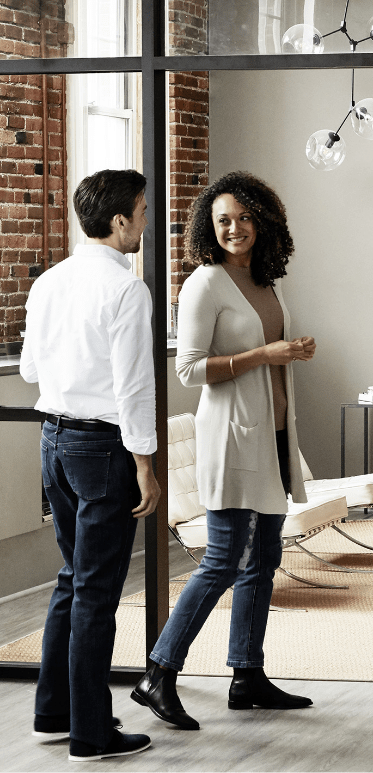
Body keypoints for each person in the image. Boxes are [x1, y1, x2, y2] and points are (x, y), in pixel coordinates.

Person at [132, 171, 316, 729]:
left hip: (273, 436)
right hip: (232, 436)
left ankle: (247, 675)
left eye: (242, 217)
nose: (234, 228)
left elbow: (269, 352)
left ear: (263, 219)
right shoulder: (205, 283)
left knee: (265, 560)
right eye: (222, 220)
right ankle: (158, 674)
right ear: (209, 230)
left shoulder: (264, 281)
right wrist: (267, 354)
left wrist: (288, 353)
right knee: (222, 561)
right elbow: (188, 369)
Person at [20, 169, 161, 761]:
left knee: (72, 580)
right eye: (143, 212)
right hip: (103, 450)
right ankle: (91, 733)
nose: (146, 223)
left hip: (53, 441)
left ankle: (54, 712)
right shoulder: (127, 289)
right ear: (120, 220)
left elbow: (29, 370)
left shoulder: (50, 280)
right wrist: (146, 466)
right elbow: (133, 390)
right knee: (96, 592)